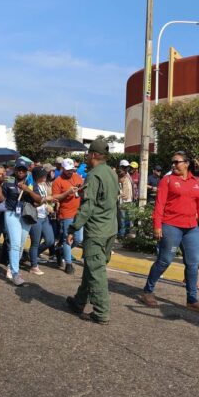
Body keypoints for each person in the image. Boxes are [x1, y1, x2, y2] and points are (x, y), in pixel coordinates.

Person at [139, 151, 199, 314]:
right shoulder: (167, 180)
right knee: (165, 260)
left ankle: (192, 299)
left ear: (186, 163)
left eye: (177, 162)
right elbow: (159, 205)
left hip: (191, 228)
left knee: (193, 264)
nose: (174, 165)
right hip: (171, 226)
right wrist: (157, 226)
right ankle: (148, 291)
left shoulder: (197, 181)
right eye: (172, 162)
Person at [64, 139, 119, 324]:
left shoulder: (94, 175)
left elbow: (87, 207)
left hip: (97, 231)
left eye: (88, 153)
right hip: (110, 229)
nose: (86, 157)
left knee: (96, 272)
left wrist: (73, 228)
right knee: (91, 267)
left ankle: (101, 312)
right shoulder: (112, 174)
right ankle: (79, 302)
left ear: (94, 155)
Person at [0, 159, 43, 286]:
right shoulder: (9, 180)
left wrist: (28, 190)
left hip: (26, 216)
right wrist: (0, 185)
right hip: (11, 214)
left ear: (27, 170)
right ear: (15, 170)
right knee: (15, 244)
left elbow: (39, 200)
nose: (21, 172)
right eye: (19, 169)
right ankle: (16, 274)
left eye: (23, 170)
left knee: (21, 244)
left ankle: (11, 267)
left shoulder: (31, 182)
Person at [51, 158, 85, 274]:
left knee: (79, 239)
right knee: (67, 238)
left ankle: (60, 250)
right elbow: (55, 198)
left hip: (78, 213)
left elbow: (82, 189)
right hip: (66, 213)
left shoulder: (77, 177)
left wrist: (81, 190)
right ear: (63, 169)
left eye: (72, 170)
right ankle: (68, 264)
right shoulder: (57, 181)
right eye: (68, 170)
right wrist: (67, 193)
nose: (71, 172)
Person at [27, 168, 54, 275]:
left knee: (50, 240)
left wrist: (49, 205)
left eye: (45, 175)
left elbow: (44, 200)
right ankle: (33, 266)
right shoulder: (32, 186)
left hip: (45, 217)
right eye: (42, 175)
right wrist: (45, 202)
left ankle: (32, 255)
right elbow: (34, 203)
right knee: (35, 242)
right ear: (37, 176)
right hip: (36, 217)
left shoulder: (43, 186)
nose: (45, 177)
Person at [116, 161, 134, 238]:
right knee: (122, 219)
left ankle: (126, 233)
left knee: (128, 219)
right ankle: (122, 234)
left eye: (127, 167)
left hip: (129, 200)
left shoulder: (128, 175)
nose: (127, 168)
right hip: (122, 201)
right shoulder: (119, 176)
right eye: (125, 167)